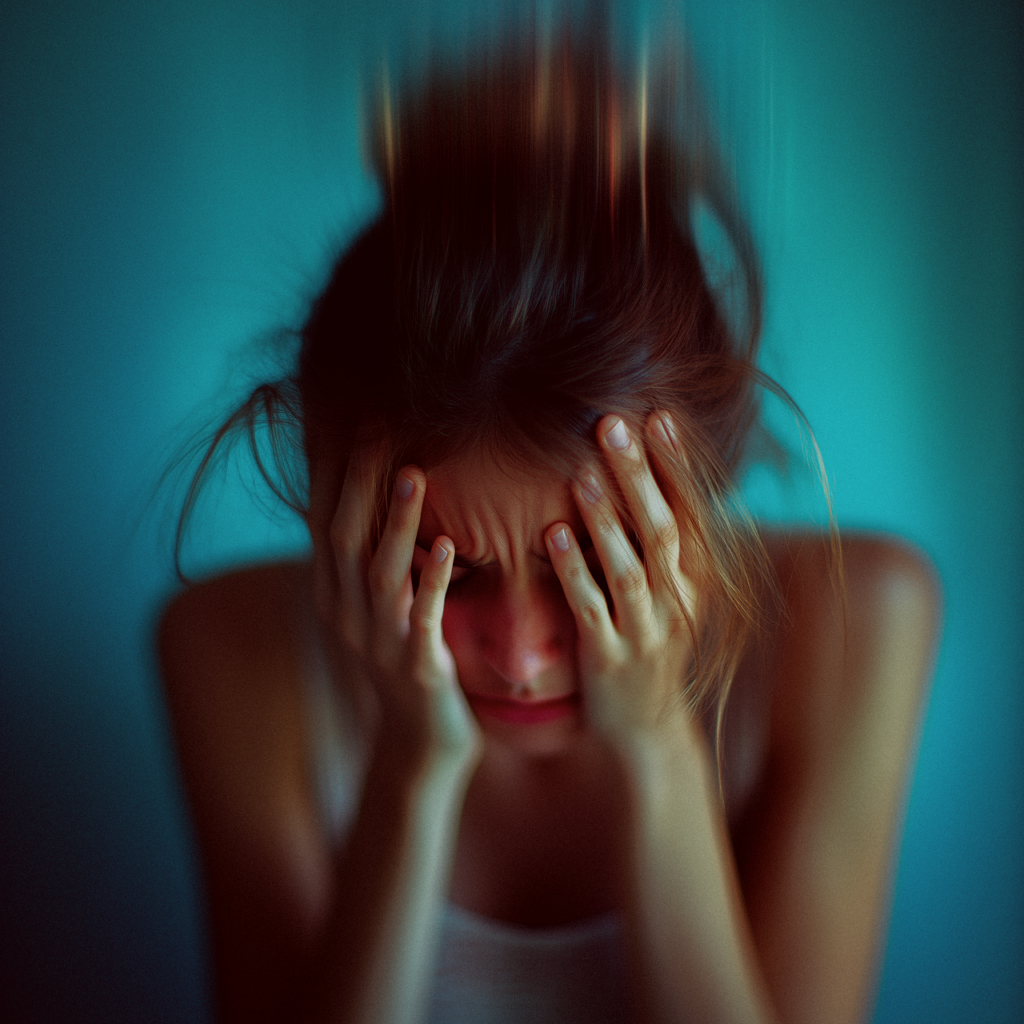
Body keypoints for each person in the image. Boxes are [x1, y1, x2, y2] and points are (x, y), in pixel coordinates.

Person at [158, 26, 939, 1024]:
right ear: (332, 508)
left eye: (594, 569)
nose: (521, 659)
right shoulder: (233, 647)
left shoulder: (852, 619)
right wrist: (413, 764)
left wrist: (656, 742)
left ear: (701, 490)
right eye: (449, 572)